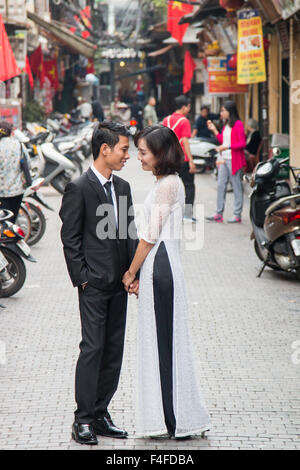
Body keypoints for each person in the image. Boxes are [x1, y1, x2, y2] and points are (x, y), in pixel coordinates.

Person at [122, 125, 210, 439]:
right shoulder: (168, 182)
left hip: (160, 266)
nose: (138, 158)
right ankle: (170, 415)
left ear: (161, 153)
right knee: (164, 340)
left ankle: (172, 418)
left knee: (163, 343)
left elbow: (149, 237)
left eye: (143, 152)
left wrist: (131, 272)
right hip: (162, 266)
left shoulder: (167, 185)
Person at [59, 121, 139, 446]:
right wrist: (83, 279)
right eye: (123, 149)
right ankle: (83, 419)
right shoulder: (79, 187)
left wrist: (133, 273)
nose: (127, 156)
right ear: (104, 149)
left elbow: (129, 231)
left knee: (113, 350)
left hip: (119, 284)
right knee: (92, 348)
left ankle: (102, 412)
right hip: (93, 286)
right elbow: (70, 238)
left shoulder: (122, 187)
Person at [206, 100, 246, 224]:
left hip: (234, 160)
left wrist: (227, 147)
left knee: (236, 186)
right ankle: (218, 213)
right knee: (220, 185)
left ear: (230, 111)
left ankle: (237, 214)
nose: (221, 113)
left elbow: (242, 143)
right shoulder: (226, 125)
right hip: (224, 159)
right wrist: (214, 130)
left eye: (223, 110)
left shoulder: (238, 124)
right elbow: (223, 140)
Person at [163, 95, 197, 223]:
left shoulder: (166, 120)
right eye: (188, 106)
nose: (189, 109)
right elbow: (185, 142)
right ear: (183, 107)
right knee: (189, 186)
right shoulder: (184, 121)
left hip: (169, 158)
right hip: (182, 158)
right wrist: (191, 161)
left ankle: (168, 213)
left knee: (169, 186)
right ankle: (187, 215)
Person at [0, 121, 31, 223]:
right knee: (13, 218)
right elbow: (28, 163)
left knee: (4, 220)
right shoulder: (19, 144)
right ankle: (13, 237)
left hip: (2, 192)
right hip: (18, 190)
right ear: (10, 132)